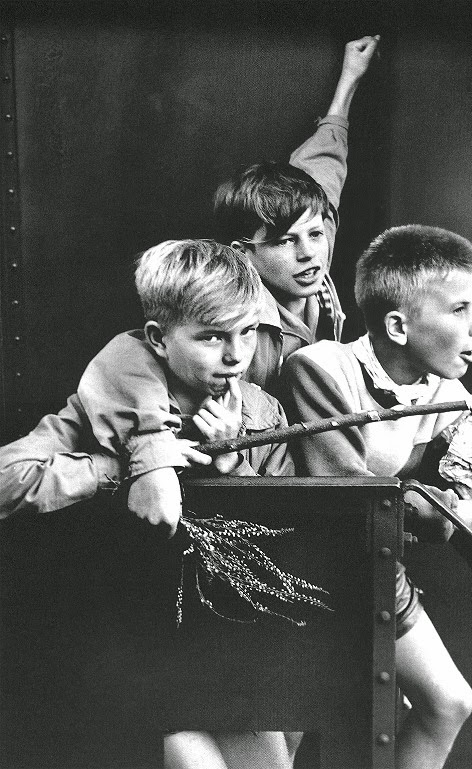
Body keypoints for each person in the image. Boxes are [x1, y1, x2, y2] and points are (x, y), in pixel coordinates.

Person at [0, 239, 310, 769]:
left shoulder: (263, 411)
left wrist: (234, 466)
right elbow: (7, 480)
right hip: (135, 647)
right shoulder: (100, 405)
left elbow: (289, 536)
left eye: (247, 332)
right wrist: (127, 467)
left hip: (233, 645)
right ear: (157, 339)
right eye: (212, 337)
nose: (236, 356)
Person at [280, 224, 472, 769]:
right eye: (460, 310)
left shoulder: (449, 396)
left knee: (447, 703)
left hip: (373, 569)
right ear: (397, 326)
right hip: (300, 574)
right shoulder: (320, 369)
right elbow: (352, 497)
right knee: (290, 728)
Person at [70, 34, 380, 537]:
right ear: (244, 252)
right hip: (255, 463)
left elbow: (325, 166)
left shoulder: (310, 233)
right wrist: (155, 459)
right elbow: (134, 355)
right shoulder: (232, 317)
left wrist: (348, 81)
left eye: (316, 234)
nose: (310, 254)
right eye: (285, 241)